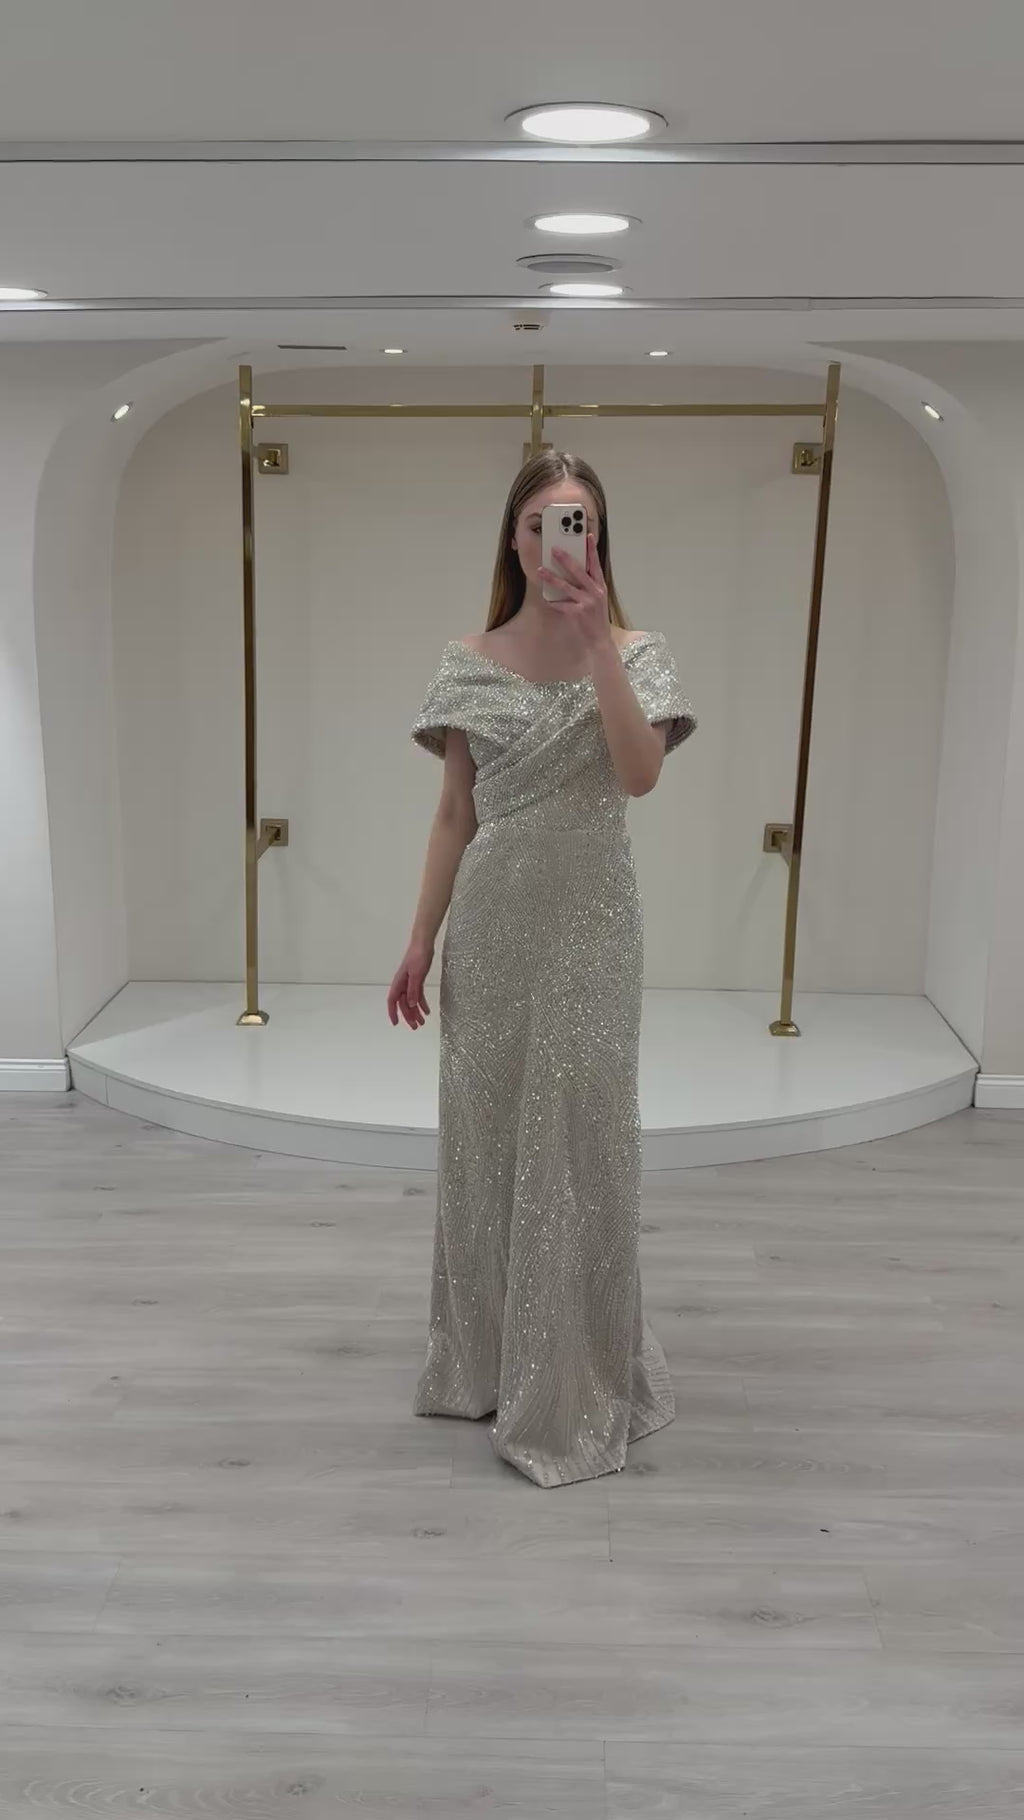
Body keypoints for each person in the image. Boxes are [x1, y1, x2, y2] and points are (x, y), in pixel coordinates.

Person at [388, 450, 697, 1488]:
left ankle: (575, 1376)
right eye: (541, 522)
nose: (560, 539)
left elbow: (640, 775)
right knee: (486, 1145)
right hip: (492, 927)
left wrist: (597, 644)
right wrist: (420, 937)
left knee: (581, 1144)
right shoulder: (467, 658)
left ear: (599, 538)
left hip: (593, 926)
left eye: (579, 522)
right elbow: (453, 812)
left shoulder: (640, 651)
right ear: (513, 537)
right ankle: (482, 1363)